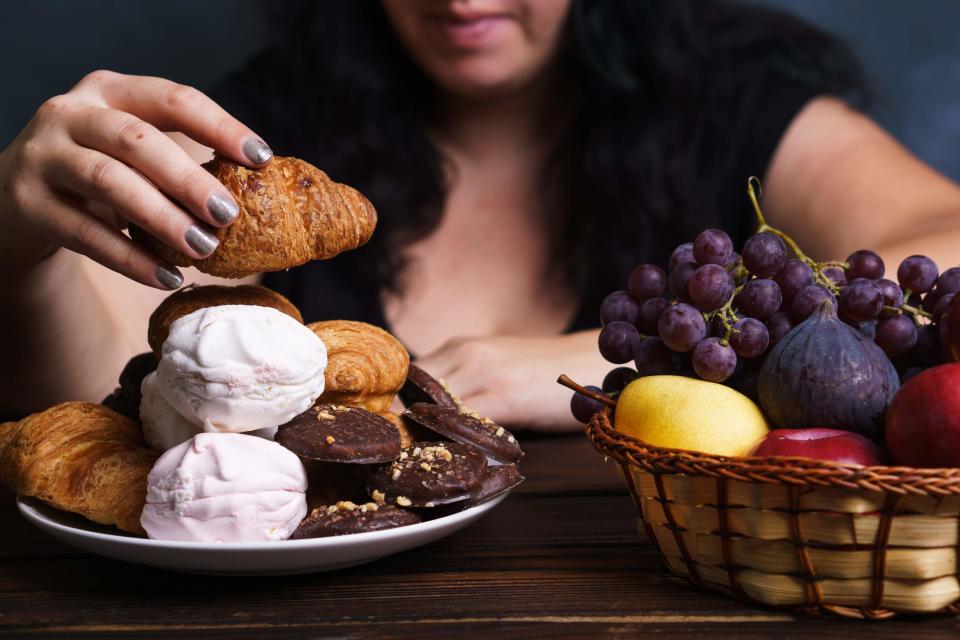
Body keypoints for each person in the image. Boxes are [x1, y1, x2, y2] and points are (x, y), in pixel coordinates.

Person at [2, 0, 959, 428]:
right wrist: (20, 250)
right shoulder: (270, 143)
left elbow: (944, 257)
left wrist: (611, 364)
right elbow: (98, 389)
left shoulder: (729, 93)